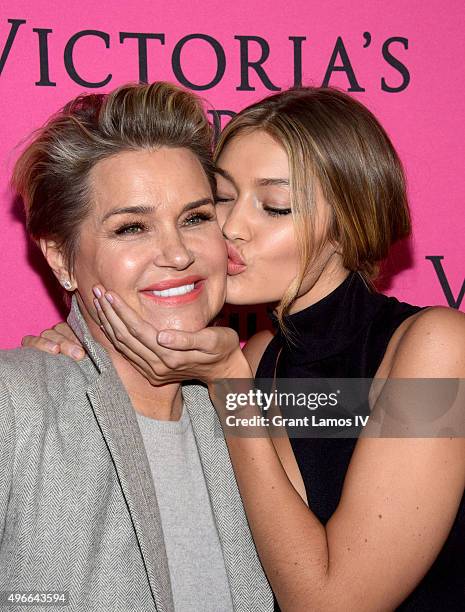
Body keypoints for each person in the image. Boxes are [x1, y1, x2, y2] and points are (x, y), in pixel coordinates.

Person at [24, 88, 465, 611]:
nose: (231, 229)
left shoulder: (436, 345)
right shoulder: (258, 356)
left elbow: (332, 604)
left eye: (274, 207)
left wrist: (230, 384)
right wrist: (79, 346)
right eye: (221, 200)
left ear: (348, 226)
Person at [2, 82, 273, 612]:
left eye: (196, 218)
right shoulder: (14, 405)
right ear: (61, 259)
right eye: (132, 228)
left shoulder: (259, 397)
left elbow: (437, 410)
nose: (176, 254)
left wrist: (234, 385)